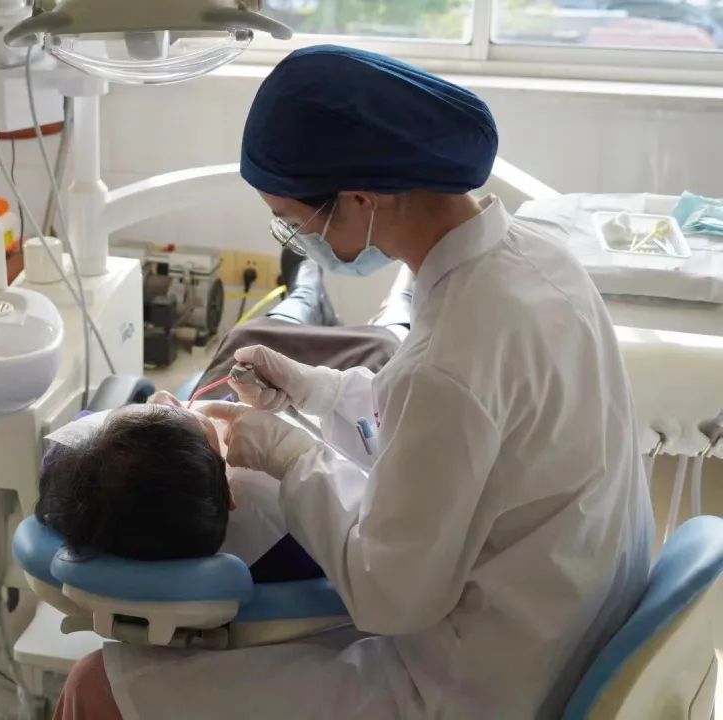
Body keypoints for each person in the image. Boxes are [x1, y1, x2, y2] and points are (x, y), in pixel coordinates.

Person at [55, 45, 654, 720]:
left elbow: (389, 597)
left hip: (473, 687)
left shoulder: (451, 357)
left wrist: (290, 456)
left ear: (360, 200)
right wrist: (320, 391)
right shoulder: (539, 260)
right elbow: (463, 435)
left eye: (293, 222)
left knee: (100, 687)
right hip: (554, 624)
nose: (293, 237)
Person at [36, 394, 325, 583]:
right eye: (201, 425)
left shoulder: (66, 468)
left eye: (146, 410)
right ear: (227, 493)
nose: (171, 402)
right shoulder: (293, 540)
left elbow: (87, 429)